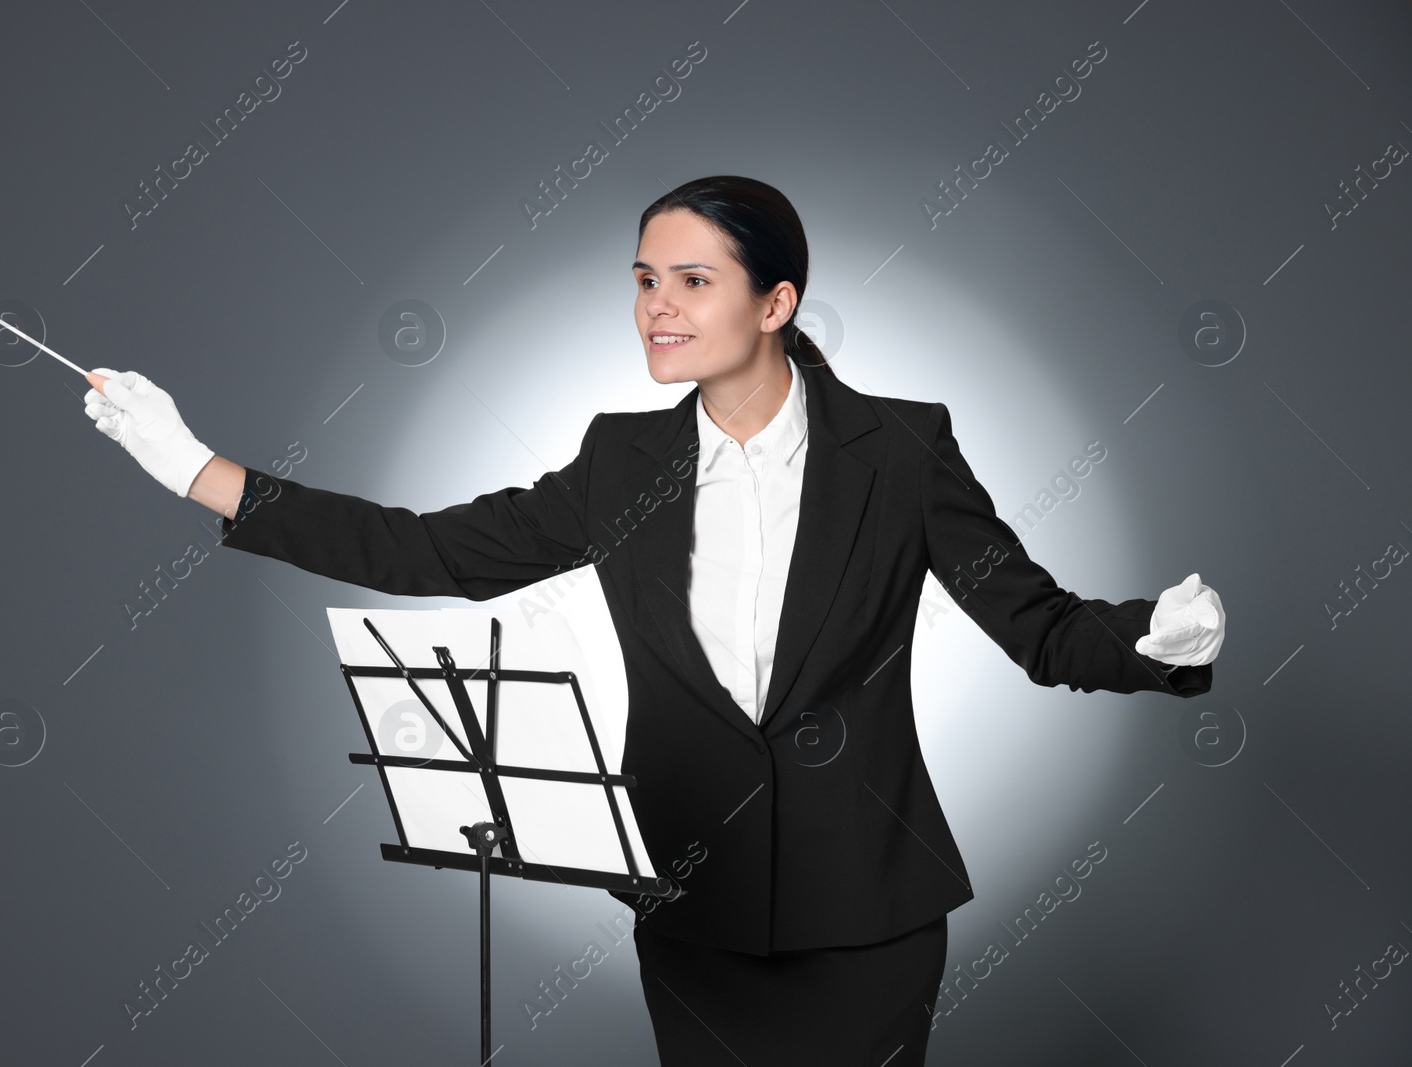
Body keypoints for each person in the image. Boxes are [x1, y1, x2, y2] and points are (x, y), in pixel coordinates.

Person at [81, 175, 1226, 1065]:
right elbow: (427, 547)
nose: (657, 308)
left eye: (691, 281)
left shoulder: (901, 446)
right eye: (642, 280)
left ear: (774, 302)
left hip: (866, 912)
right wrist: (198, 469)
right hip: (693, 902)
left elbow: (1034, 624)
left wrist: (1145, 640)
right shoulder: (621, 457)